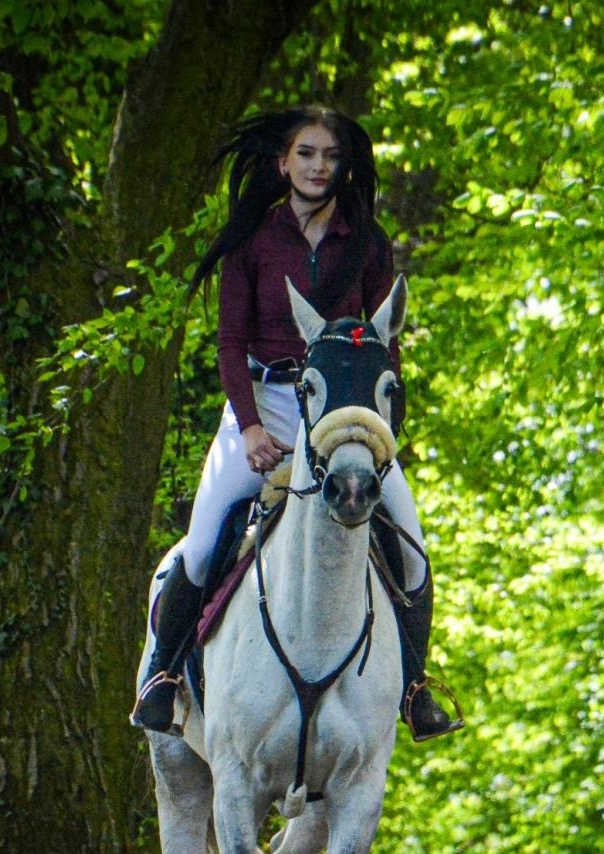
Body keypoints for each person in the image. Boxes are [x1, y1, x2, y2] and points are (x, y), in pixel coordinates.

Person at [132, 106, 463, 742]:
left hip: (345, 414)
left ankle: (415, 689)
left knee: (414, 552)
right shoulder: (251, 242)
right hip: (262, 404)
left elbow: (386, 345)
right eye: (306, 154)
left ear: (344, 167)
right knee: (200, 546)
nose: (318, 166)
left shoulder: (368, 243)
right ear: (283, 163)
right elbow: (230, 344)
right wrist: (251, 428)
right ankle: (164, 678)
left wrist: (383, 431)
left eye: (331, 156)